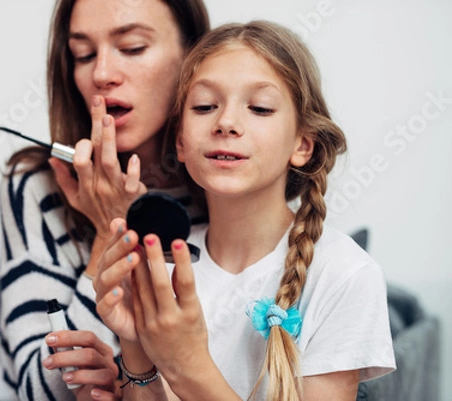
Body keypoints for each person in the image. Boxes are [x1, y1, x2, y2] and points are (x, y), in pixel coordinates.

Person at [94, 20, 396, 401]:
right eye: (205, 106)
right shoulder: (163, 263)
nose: (226, 123)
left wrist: (188, 366)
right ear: (181, 142)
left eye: (260, 108)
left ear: (303, 144)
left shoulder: (345, 275)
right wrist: (135, 348)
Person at [0, 0, 209, 400]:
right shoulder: (36, 184)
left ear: (194, 56)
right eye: (83, 55)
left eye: (132, 48)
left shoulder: (223, 186)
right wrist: (112, 230)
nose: (101, 74)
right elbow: (42, 392)